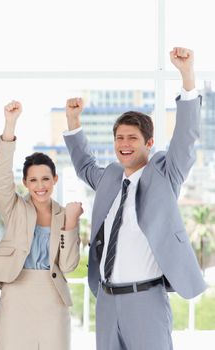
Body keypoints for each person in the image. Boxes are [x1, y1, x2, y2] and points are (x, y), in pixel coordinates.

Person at [64, 47, 207, 350]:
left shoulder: (164, 175)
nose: (124, 145)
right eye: (119, 138)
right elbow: (85, 166)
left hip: (146, 302)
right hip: (106, 300)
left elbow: (185, 137)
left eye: (132, 138)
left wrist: (187, 76)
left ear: (149, 143)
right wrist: (73, 122)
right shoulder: (110, 178)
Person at [0, 100, 82, 349]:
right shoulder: (15, 209)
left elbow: (67, 265)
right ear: (25, 182)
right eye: (33, 180)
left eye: (46, 178)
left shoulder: (63, 213)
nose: (40, 185)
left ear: (55, 179)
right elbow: (1, 178)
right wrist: (10, 125)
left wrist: (70, 223)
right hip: (17, 291)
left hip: (52, 298)